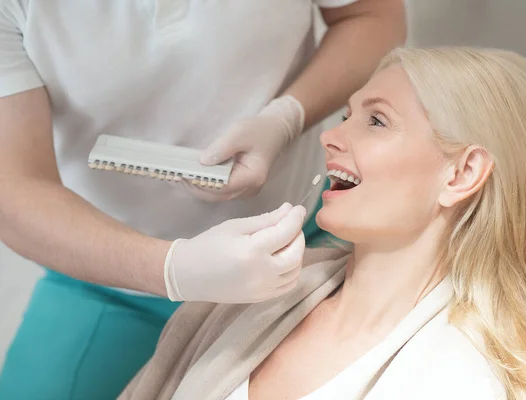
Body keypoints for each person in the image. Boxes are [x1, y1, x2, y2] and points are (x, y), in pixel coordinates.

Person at [118, 47, 526, 400]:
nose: (329, 137)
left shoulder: (468, 381)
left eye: (377, 122)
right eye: (347, 115)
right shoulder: (243, 306)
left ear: (462, 174)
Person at [0, 0, 407, 398]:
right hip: (108, 271)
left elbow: (372, 14)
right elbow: (15, 193)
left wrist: (288, 117)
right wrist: (174, 269)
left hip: (303, 234)